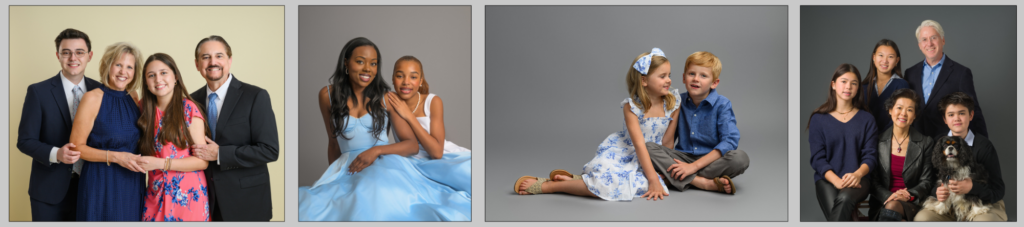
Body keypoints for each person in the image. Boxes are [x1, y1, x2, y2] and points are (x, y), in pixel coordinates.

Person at [298, 37, 471, 221]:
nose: (367, 69)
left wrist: (376, 150)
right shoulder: (327, 95)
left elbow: (412, 145)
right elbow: (333, 143)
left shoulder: (386, 97)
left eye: (373, 63)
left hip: (382, 163)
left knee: (374, 200)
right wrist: (332, 178)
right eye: (360, 61)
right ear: (346, 63)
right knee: (316, 206)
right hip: (348, 166)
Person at [512, 47, 677, 202]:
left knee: (647, 184)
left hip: (654, 158)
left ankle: (579, 181)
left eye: (669, 75)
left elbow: (668, 144)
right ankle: (551, 186)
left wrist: (661, 170)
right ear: (644, 80)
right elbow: (640, 145)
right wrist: (653, 178)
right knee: (612, 183)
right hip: (629, 152)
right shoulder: (632, 107)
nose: (668, 80)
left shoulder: (673, 103)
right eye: (662, 76)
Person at [188, 35, 280, 221]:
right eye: (206, 57)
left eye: (219, 56)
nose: (213, 62)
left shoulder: (255, 96)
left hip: (246, 203)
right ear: (197, 64)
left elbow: (270, 150)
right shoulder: (190, 101)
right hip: (205, 202)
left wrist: (220, 154)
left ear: (229, 60)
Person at [17, 28, 102, 221]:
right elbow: (25, 140)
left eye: (79, 52)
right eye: (66, 52)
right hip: (48, 192)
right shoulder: (38, 92)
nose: (73, 57)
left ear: (89, 56)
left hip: (91, 188)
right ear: (58, 55)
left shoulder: (101, 90)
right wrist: (57, 154)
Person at [643, 51, 749, 195]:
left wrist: (693, 167)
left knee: (740, 158)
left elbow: (730, 141)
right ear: (683, 78)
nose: (696, 79)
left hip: (710, 159)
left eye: (703, 76)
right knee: (647, 148)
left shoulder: (722, 104)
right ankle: (701, 183)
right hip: (681, 157)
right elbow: (667, 143)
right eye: (691, 74)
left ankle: (677, 177)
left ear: (714, 83)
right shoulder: (676, 102)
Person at [68, 42, 146, 221]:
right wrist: (116, 157)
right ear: (107, 65)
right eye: (118, 65)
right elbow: (75, 148)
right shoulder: (92, 98)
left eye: (129, 67)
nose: (123, 72)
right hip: (101, 181)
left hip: (131, 183)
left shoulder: (134, 97)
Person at [138, 53, 211, 221]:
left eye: (164, 73)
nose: (158, 79)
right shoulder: (142, 109)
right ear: (146, 83)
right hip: (154, 193)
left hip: (188, 196)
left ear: (175, 77)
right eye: (151, 75)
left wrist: (161, 163)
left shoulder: (189, 109)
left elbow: (202, 161)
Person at [914, 92, 1006, 221]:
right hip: (948, 205)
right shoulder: (937, 143)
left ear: (971, 115)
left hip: (981, 204)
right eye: (951, 115)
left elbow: (998, 190)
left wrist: (973, 187)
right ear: (945, 119)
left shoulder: (984, 146)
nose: (956, 118)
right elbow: (927, 180)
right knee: (922, 219)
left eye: (962, 113)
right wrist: (936, 191)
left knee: (985, 221)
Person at [385, 56, 471, 193]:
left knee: (472, 176)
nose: (406, 82)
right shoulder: (389, 101)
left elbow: (437, 153)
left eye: (413, 77)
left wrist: (409, 116)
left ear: (420, 81)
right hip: (411, 163)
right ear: (392, 79)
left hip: (443, 158)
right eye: (400, 76)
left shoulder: (433, 102)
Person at [807, 63, 878, 221]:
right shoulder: (818, 119)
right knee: (840, 213)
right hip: (827, 179)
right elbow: (817, 159)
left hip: (859, 179)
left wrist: (857, 174)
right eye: (844, 81)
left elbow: (870, 156)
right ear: (833, 85)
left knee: (844, 200)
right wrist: (837, 181)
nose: (848, 87)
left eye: (854, 83)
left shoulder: (867, 119)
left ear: (858, 88)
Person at [904, 20, 987, 138]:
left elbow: (973, 111)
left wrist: (982, 146)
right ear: (919, 46)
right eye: (924, 39)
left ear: (942, 40)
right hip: (917, 144)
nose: (929, 43)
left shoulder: (961, 73)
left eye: (933, 38)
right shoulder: (910, 73)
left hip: (948, 146)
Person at [868, 89, 934, 221]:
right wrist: (889, 196)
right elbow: (872, 181)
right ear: (890, 110)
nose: (903, 113)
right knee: (894, 213)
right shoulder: (877, 141)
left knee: (893, 209)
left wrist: (909, 195)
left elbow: (926, 181)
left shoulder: (926, 142)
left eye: (909, 110)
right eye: (899, 108)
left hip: (912, 203)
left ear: (914, 115)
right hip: (882, 202)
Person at [862, 39, 910, 132]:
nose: (885, 61)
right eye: (881, 55)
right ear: (874, 57)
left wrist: (882, 138)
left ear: (897, 60)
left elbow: (900, 117)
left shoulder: (902, 85)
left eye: (890, 57)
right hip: (866, 139)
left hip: (889, 141)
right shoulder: (864, 86)